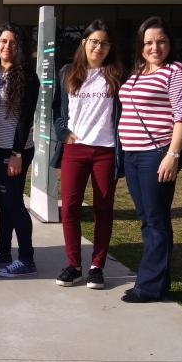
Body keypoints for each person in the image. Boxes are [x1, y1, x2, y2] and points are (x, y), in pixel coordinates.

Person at [118, 16, 182, 303]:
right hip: (133, 156)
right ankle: (158, 282)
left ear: (169, 43)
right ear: (140, 46)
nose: (155, 47)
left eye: (160, 41)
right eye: (148, 42)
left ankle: (148, 287)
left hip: (156, 155)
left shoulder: (177, 71)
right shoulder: (138, 73)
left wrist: (172, 155)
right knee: (147, 219)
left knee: (156, 219)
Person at [51, 20, 124, 290]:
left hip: (105, 150)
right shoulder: (68, 72)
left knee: (103, 208)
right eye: (94, 41)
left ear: (109, 47)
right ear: (84, 43)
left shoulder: (116, 73)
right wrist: (63, 133)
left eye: (104, 43)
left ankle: (96, 267)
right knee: (69, 208)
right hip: (75, 149)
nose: (99, 47)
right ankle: (74, 265)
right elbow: (57, 109)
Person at [0, 24, 41, 278]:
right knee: (0, 200)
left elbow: (26, 119)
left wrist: (16, 153)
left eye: (13, 42)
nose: (7, 46)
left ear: (21, 48)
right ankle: (3, 250)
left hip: (15, 149)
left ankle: (26, 259)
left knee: (14, 202)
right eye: (3, 41)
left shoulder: (27, 76)